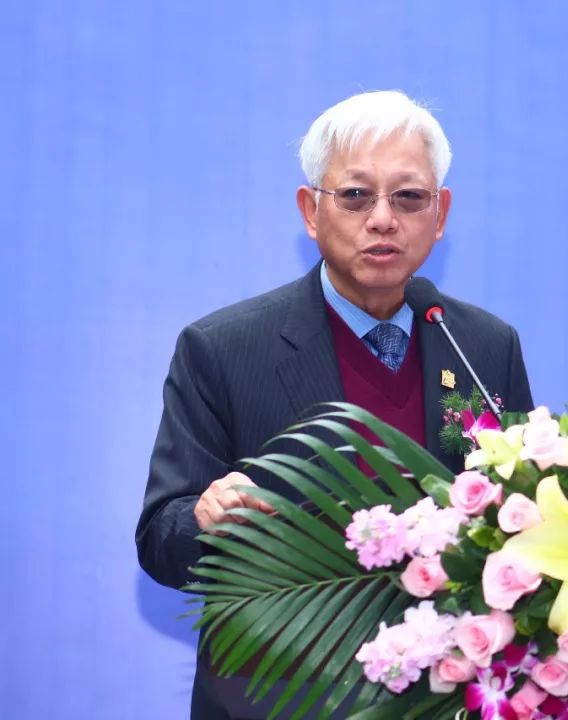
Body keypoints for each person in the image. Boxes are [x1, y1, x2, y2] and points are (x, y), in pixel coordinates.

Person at [135, 90, 534, 719]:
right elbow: (161, 539)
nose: (383, 219)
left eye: (409, 197)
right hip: (280, 697)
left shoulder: (482, 345)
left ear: (440, 214)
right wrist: (207, 520)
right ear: (310, 210)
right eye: (355, 196)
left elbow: (522, 518)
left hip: (445, 696)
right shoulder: (223, 348)